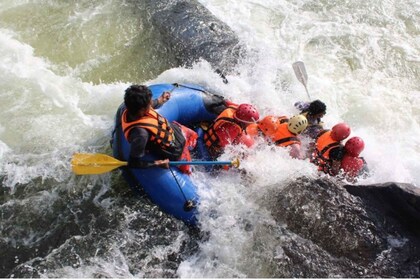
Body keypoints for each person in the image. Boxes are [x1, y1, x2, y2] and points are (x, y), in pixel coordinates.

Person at [121, 85, 197, 174]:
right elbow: (133, 163)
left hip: (175, 130)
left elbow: (153, 104)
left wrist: (161, 99)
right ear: (142, 110)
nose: (151, 104)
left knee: (195, 137)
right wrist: (157, 163)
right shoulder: (141, 134)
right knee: (190, 171)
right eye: (149, 103)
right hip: (175, 150)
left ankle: (193, 146)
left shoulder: (134, 109)